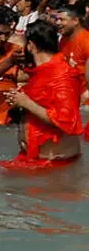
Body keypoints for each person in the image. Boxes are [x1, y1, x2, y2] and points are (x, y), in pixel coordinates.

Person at [6, 21, 82, 163]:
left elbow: (66, 120)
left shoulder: (63, 74)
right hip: (32, 160)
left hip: (57, 163)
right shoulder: (39, 73)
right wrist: (18, 104)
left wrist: (26, 102)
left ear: (31, 46)